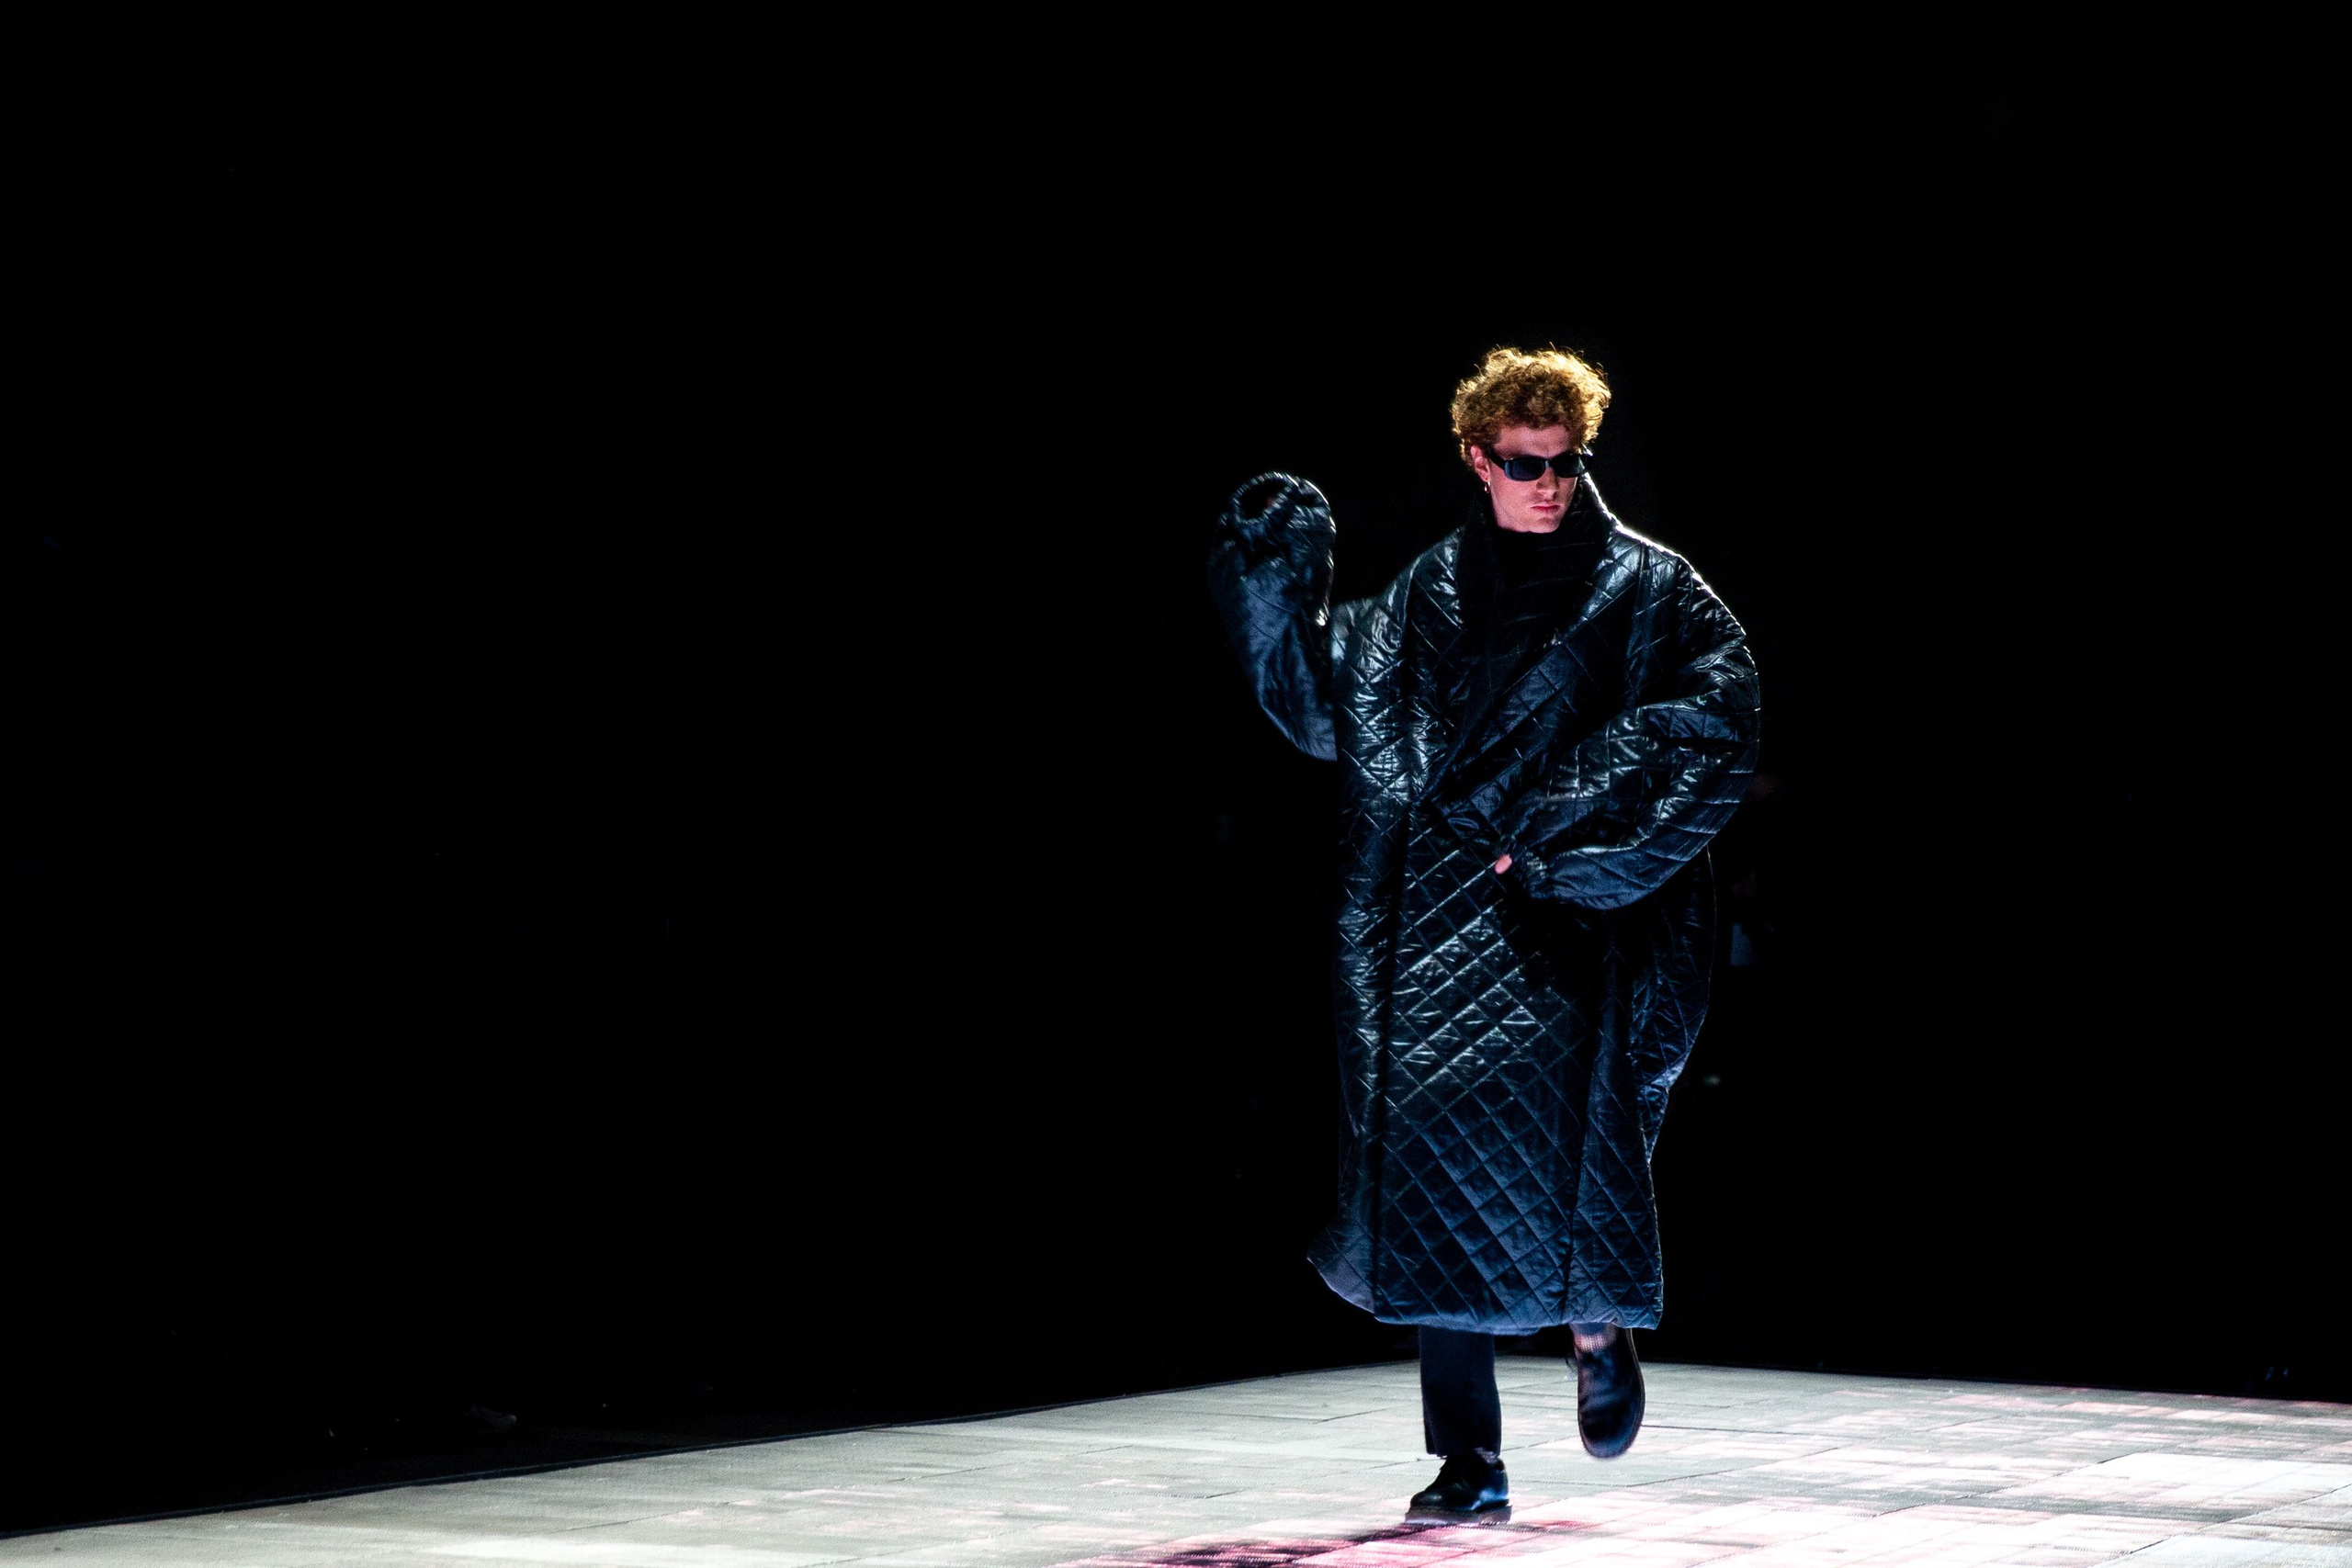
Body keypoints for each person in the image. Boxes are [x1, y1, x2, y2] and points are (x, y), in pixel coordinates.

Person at [1209, 346, 1758, 1513]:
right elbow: (1326, 712)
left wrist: (1570, 815)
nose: (1548, 485)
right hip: (1440, 923)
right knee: (1429, 1176)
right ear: (1477, 459)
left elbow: (1719, 714)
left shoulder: (1648, 589)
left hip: (1581, 920)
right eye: (1523, 465)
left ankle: (1598, 1324)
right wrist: (1272, 590)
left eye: (1565, 464)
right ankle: (1471, 1458)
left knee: (1579, 1139)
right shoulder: (1422, 596)